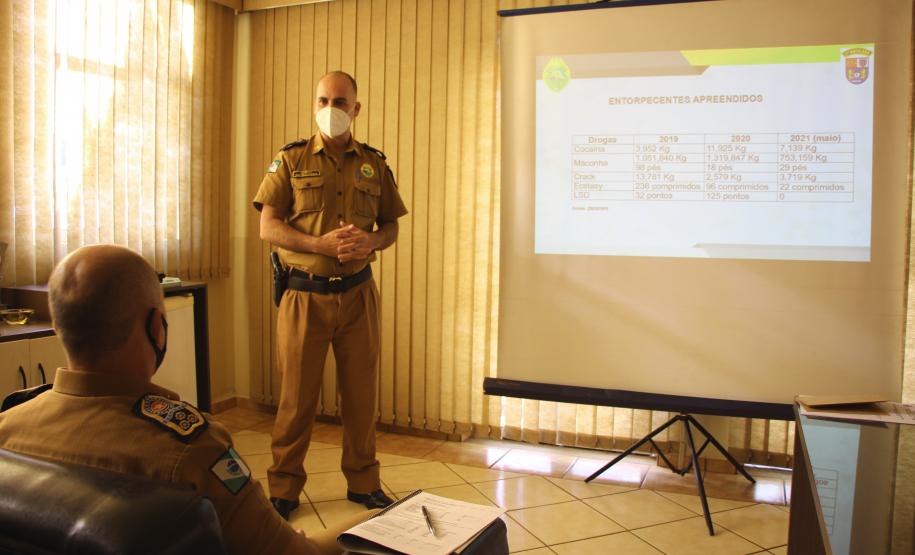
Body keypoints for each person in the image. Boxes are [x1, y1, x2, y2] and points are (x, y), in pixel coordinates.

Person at [0, 245, 370, 555]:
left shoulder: (8, 426)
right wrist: (385, 519)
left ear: (60, 326)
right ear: (156, 326)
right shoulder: (193, 451)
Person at [253, 70, 408, 520]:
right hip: (304, 296)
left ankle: (364, 483)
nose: (331, 109)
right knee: (296, 398)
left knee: (361, 397)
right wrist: (319, 245)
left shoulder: (374, 163)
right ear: (314, 103)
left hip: (359, 296)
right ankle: (283, 487)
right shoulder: (290, 160)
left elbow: (391, 225)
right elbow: (269, 226)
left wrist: (372, 242)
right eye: (323, 99)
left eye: (341, 102)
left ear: (355, 109)